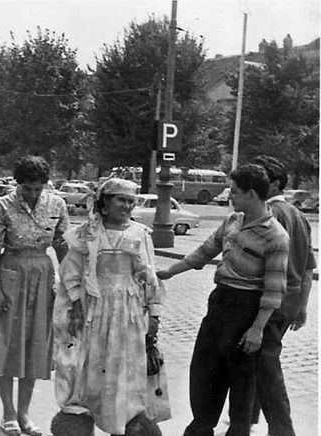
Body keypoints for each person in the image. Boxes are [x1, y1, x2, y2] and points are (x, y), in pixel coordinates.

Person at [157, 164, 290, 436]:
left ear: (252, 194)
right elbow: (204, 251)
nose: (230, 196)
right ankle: (201, 427)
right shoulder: (232, 221)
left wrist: (257, 329)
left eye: (235, 191)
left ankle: (238, 431)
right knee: (205, 370)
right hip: (220, 302)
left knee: (242, 382)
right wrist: (171, 271)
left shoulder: (276, 236)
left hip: (248, 309)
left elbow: (274, 289)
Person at [52, 178, 164, 436]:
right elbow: (71, 271)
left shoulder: (140, 234)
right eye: (121, 200)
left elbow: (150, 275)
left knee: (124, 363)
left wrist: (154, 312)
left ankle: (124, 419)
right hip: (94, 307)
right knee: (90, 362)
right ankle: (82, 416)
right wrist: (76, 304)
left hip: (128, 308)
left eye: (131, 201)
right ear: (105, 203)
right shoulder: (87, 234)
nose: (126, 206)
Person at [0, 155, 69, 436]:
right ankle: (8, 412)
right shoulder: (2, 206)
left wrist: (69, 283)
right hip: (11, 273)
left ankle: (24, 413)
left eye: (38, 188)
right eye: (27, 188)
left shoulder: (57, 204)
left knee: (35, 344)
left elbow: (61, 245)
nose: (32, 193)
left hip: (43, 275)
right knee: (7, 343)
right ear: (18, 183)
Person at [247, 155, 316, 436]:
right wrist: (302, 306)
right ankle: (247, 417)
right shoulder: (298, 215)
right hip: (290, 302)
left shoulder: (269, 214)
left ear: (273, 184)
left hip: (269, 300)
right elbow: (308, 266)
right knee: (259, 360)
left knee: (266, 366)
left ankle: (282, 429)